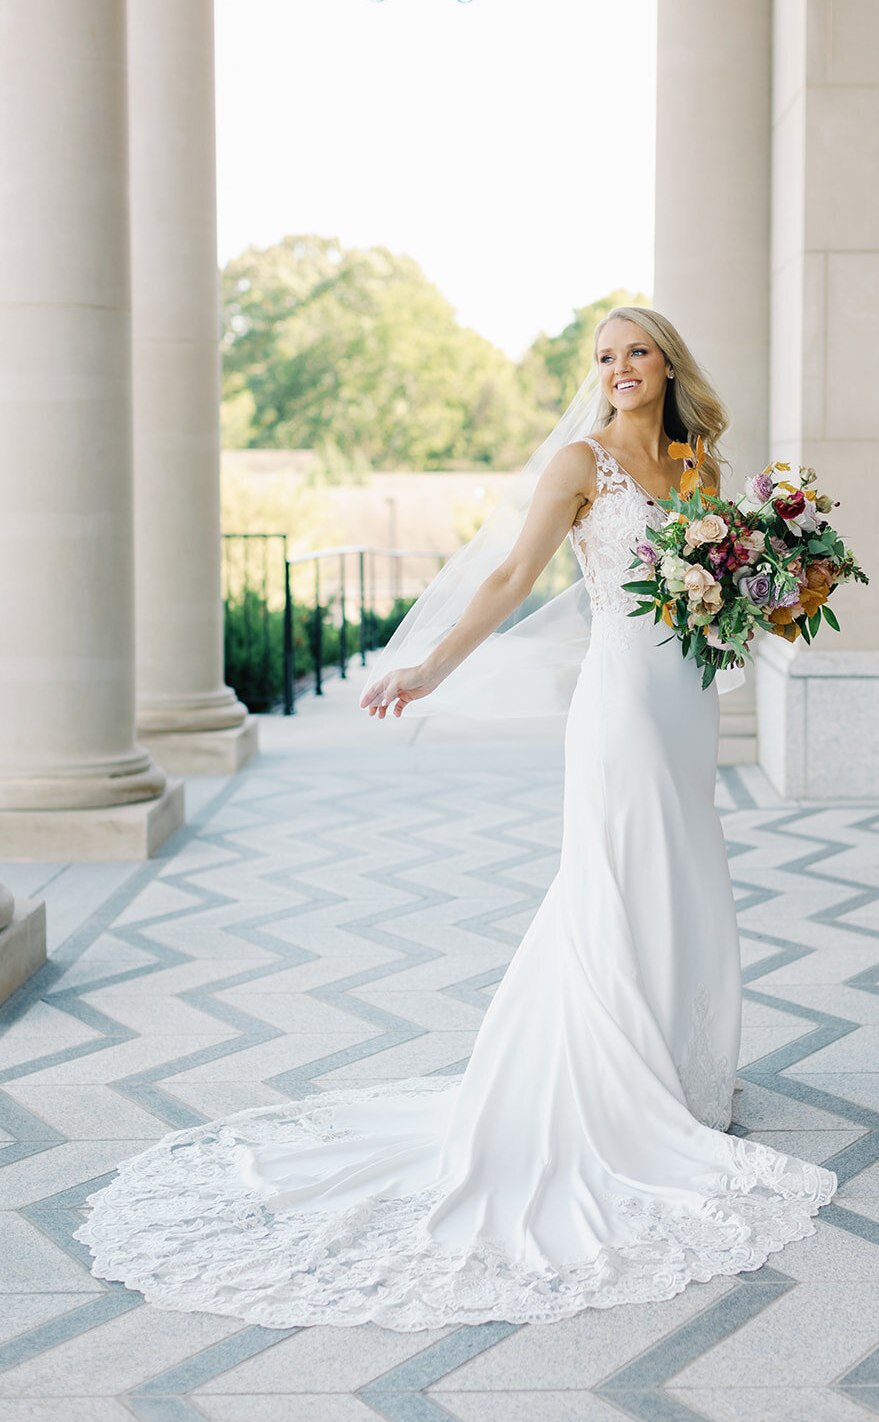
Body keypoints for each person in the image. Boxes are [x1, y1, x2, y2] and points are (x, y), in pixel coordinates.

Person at [76, 308, 836, 1332]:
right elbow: (511, 577)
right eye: (603, 355)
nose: (618, 369)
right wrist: (428, 665)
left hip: (684, 698)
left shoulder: (699, 470)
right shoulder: (577, 465)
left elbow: (739, 585)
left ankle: (682, 1071)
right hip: (617, 702)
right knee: (615, 874)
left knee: (686, 868)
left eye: (636, 352)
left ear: (667, 366)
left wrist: (788, 585)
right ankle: (617, 1088)